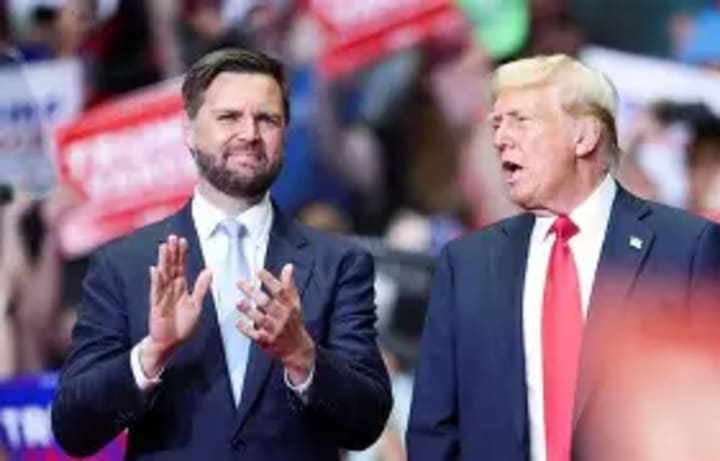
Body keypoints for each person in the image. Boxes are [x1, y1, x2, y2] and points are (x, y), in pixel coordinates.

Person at [51, 47, 392, 460]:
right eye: (229, 117)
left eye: (267, 119)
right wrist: (152, 352)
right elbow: (73, 430)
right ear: (189, 131)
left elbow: (368, 421)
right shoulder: (123, 264)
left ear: (285, 133)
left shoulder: (339, 263)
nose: (249, 133)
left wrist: (301, 354)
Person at [406, 54, 720, 461]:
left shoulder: (686, 249)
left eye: (521, 120)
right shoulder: (467, 264)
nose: (500, 139)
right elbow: (433, 430)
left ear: (583, 137)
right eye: (496, 124)